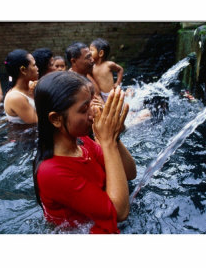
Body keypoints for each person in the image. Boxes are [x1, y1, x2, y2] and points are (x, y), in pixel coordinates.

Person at [33, 71, 137, 234]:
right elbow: (119, 212)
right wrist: (107, 141)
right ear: (56, 119)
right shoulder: (51, 171)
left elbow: (130, 173)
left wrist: (114, 137)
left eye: (91, 104)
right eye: (83, 109)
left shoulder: (83, 142)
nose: (93, 113)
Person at [3, 49, 39, 124]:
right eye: (34, 65)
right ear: (23, 70)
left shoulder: (31, 86)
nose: (37, 68)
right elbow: (36, 122)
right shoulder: (15, 97)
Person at [90, 38, 124, 103]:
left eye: (91, 50)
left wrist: (118, 82)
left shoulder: (108, 65)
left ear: (101, 53)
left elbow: (120, 69)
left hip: (111, 94)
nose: (89, 52)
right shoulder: (91, 68)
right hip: (101, 97)